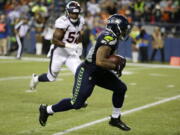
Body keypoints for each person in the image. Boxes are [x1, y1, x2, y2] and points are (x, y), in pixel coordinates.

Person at [38, 14, 132, 131]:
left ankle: (115, 118)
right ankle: (46, 110)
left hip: (99, 71)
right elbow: (100, 61)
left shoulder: (111, 36)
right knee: (76, 103)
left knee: (120, 88)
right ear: (116, 27)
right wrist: (115, 66)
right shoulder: (109, 38)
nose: (124, 31)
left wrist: (115, 62)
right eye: (123, 29)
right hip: (88, 71)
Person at [29, 1, 84, 91]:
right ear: (67, 12)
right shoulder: (62, 22)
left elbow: (78, 34)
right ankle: (36, 78)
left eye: (76, 13)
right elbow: (54, 40)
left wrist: (80, 45)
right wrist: (70, 46)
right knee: (51, 77)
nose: (74, 15)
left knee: (80, 74)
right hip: (59, 52)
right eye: (72, 13)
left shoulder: (81, 20)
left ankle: (77, 98)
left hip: (71, 54)